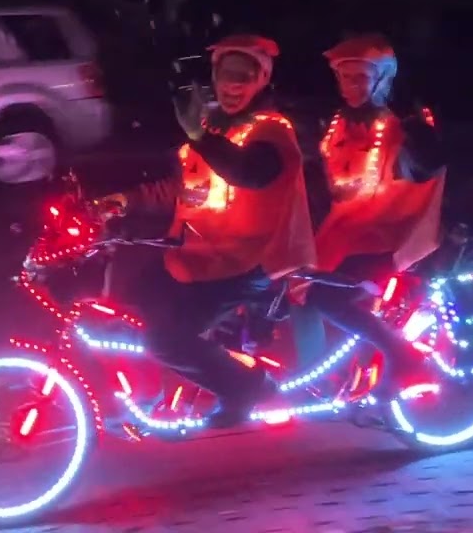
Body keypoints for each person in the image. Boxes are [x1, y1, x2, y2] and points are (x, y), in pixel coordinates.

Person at [100, 33, 317, 428]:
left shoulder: (271, 131)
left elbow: (248, 173)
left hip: (250, 261)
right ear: (214, 78)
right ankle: (161, 386)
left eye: (244, 76)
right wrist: (124, 201)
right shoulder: (212, 129)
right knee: (131, 300)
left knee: (167, 339)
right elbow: (184, 186)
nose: (233, 86)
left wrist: (201, 137)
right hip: (201, 256)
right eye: (226, 75)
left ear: (261, 80)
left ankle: (248, 387)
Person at [294, 33, 446, 395]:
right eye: (345, 78)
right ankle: (317, 377)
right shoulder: (338, 123)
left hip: (390, 230)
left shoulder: (399, 122)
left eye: (360, 78)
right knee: (283, 282)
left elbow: (427, 163)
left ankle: (403, 357)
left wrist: (412, 126)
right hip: (343, 229)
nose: (350, 87)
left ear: (381, 79)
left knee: (323, 296)